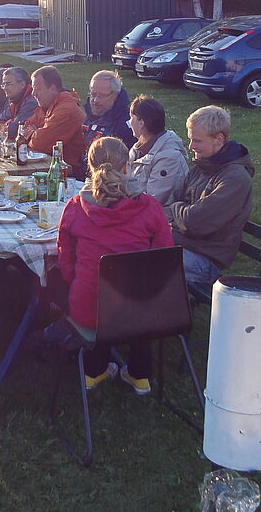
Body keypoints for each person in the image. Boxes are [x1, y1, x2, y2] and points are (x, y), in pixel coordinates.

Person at [46, 136, 174, 393]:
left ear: (90, 167)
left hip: (89, 307)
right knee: (135, 296)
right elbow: (164, 256)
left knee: (87, 292)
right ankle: (140, 376)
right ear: (127, 166)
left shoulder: (75, 206)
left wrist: (74, 278)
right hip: (142, 311)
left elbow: (65, 255)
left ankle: (94, 373)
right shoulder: (150, 206)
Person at [165, 105, 255, 289]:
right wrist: (180, 211)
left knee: (141, 261)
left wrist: (178, 211)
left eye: (197, 141)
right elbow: (174, 203)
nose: (191, 147)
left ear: (218, 139)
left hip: (205, 261)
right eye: (191, 140)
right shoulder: (202, 166)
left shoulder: (235, 179)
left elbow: (194, 222)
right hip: (182, 244)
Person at [127, 95, 188, 204]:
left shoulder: (169, 158)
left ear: (141, 123)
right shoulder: (138, 149)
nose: (129, 122)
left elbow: (153, 201)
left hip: (158, 217)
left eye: (131, 117)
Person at [26, 65, 86, 173]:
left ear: (52, 89)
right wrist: (34, 133)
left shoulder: (66, 109)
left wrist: (31, 133)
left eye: (38, 89)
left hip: (71, 175)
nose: (33, 94)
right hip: (51, 169)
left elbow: (40, 144)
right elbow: (22, 129)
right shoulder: (47, 105)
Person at [82, 70, 135, 148]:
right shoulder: (90, 116)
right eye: (93, 94)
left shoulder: (126, 127)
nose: (95, 100)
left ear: (115, 95)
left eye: (101, 96)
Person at [0, 66, 38, 138]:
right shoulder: (15, 100)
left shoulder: (31, 101)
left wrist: (6, 125)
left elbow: (15, 129)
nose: (5, 88)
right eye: (3, 84)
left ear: (22, 84)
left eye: (8, 84)